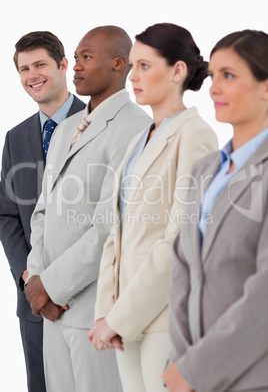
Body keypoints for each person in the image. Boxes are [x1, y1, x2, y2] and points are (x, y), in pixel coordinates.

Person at [88, 23, 218, 392]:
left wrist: (120, 317)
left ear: (177, 71)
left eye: (145, 65)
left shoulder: (195, 135)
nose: (133, 76)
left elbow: (181, 238)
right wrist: (106, 313)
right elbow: (118, 233)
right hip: (125, 320)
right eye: (132, 66)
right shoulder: (138, 141)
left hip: (163, 317)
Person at [25, 25, 152, 392]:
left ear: (118, 64)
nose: (76, 66)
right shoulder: (65, 130)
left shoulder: (135, 128)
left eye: (86, 57)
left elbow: (109, 226)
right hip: (51, 312)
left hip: (93, 312)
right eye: (76, 57)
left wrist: (50, 285)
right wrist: (36, 278)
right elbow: (42, 212)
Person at [163, 29, 268, 392]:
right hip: (189, 373)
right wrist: (180, 362)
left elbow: (264, 297)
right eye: (213, 76)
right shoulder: (205, 170)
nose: (213, 88)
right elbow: (183, 271)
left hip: (251, 377)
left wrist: (197, 369)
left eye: (229, 76)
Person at [0, 31, 86, 392]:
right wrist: (28, 277)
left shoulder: (105, 123)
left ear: (63, 65)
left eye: (40, 65)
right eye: (24, 69)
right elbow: (6, 214)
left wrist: (60, 282)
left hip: (86, 297)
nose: (32, 75)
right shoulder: (15, 138)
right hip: (33, 301)